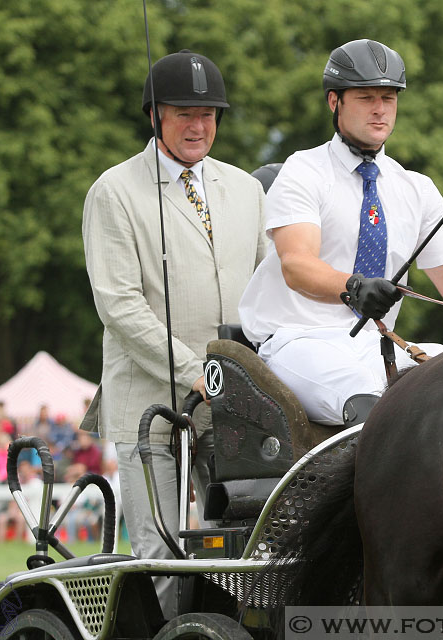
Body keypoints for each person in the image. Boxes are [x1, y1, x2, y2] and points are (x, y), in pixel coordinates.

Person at [239, 39, 443, 426]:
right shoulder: (304, 171)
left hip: (376, 344)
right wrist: (354, 285)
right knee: (371, 402)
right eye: (365, 97)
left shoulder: (416, 188)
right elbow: (297, 264)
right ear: (335, 102)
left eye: (389, 97)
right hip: (297, 341)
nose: (380, 109)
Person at [82, 50, 266, 617]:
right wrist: (197, 372)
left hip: (232, 401)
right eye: (184, 113)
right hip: (149, 403)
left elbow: (269, 294)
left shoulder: (247, 190)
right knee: (161, 555)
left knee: (238, 550)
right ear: (155, 116)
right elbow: (119, 305)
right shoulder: (113, 191)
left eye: (209, 114)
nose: (198, 126)